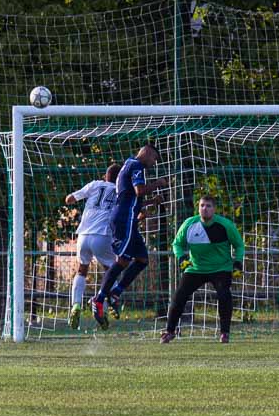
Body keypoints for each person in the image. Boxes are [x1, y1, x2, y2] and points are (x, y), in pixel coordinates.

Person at [90, 144, 168, 330]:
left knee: (142, 259)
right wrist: (157, 184)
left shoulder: (128, 164)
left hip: (127, 219)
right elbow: (139, 191)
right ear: (147, 153)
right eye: (154, 158)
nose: (153, 163)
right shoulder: (136, 165)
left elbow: (131, 197)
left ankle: (116, 292)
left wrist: (151, 201)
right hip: (124, 220)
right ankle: (99, 299)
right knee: (122, 261)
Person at [161, 195, 245, 344]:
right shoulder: (189, 224)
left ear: (214, 209)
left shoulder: (225, 225)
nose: (205, 209)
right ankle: (169, 331)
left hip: (221, 268)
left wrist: (237, 262)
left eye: (208, 206)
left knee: (224, 295)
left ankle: (225, 333)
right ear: (198, 208)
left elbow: (239, 245)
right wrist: (181, 258)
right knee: (179, 296)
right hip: (196, 268)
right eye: (202, 206)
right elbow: (176, 244)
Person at [64, 164, 120, 329]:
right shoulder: (120, 190)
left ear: (105, 176)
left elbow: (69, 199)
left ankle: (76, 305)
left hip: (83, 235)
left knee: (82, 269)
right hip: (102, 235)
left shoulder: (95, 184)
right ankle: (107, 305)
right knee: (111, 271)